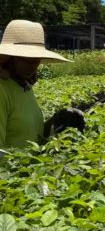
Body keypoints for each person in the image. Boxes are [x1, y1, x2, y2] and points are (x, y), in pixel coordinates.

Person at [0, 20, 85, 150]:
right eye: (26, 59)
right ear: (10, 58)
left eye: (36, 60)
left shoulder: (24, 86)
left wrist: (54, 121)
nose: (33, 66)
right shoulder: (3, 89)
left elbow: (30, 135)